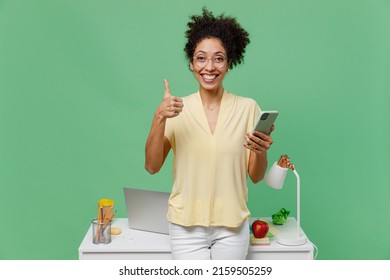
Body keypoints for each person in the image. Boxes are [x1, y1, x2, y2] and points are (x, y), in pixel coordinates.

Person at [145, 7, 274, 260]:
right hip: (185, 227)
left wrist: (261, 151)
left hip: (232, 227)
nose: (209, 67)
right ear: (192, 63)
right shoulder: (176, 109)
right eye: (201, 58)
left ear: (229, 63)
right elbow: (151, 166)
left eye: (219, 58)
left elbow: (256, 177)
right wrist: (159, 117)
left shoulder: (248, 108)